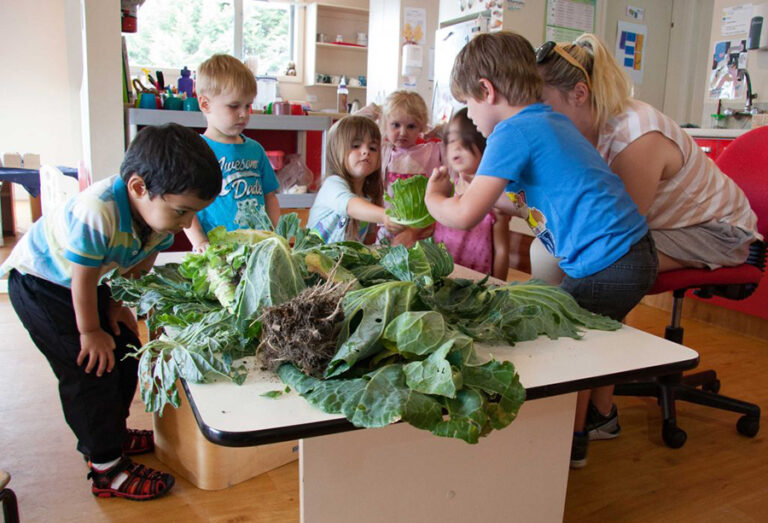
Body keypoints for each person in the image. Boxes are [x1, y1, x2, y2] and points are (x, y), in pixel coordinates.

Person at [423, 31, 658, 468]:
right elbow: (519, 201)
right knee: (575, 335)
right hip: (631, 254)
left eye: (469, 104)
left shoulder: (511, 133)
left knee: (558, 339)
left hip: (609, 263)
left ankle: (569, 444)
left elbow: (465, 216)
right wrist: (475, 191)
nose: (470, 116)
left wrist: (434, 199)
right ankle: (599, 421)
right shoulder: (548, 121)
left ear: (487, 91)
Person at [534, 34, 761, 442]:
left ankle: (594, 415)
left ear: (579, 94)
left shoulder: (635, 135)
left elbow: (616, 238)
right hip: (663, 226)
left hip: (718, 234)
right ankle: (580, 399)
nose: (539, 116)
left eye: (543, 103)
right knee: (549, 256)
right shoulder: (587, 128)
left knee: (601, 274)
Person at [0, 123, 222, 500]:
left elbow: (140, 263)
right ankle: (106, 468)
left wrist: (118, 306)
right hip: (43, 285)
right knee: (91, 371)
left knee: (125, 353)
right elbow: (81, 278)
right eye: (183, 212)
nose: (187, 224)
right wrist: (90, 331)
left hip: (92, 285)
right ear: (138, 188)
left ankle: (113, 434)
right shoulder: (97, 211)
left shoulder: (159, 218)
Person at [184, 54, 281, 252]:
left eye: (248, 105)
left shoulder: (255, 150)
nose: (244, 113)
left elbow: (269, 196)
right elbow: (185, 205)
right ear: (205, 104)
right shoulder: (196, 152)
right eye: (234, 106)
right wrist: (199, 241)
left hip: (257, 248)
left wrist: (273, 234)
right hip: (217, 250)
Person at [433, 107, 511, 280]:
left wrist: (496, 285)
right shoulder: (445, 189)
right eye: (451, 140)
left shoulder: (494, 198)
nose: (456, 146)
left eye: (465, 140)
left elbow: (501, 250)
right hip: (442, 278)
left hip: (476, 283)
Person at [308, 115, 404, 244]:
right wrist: (385, 215)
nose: (366, 151)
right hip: (312, 256)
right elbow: (351, 206)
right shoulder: (332, 184)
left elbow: (368, 240)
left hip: (344, 257)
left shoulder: (370, 196)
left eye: (373, 148)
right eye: (356, 146)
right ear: (336, 151)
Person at [377, 90, 444, 244]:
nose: (403, 132)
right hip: (389, 227)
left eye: (411, 126)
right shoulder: (383, 151)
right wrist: (374, 111)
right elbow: (355, 130)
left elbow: (456, 134)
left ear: (421, 127)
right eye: (395, 125)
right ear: (385, 124)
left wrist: (435, 130)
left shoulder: (432, 151)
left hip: (421, 231)